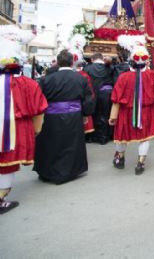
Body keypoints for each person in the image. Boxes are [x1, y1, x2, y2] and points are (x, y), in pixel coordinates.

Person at [0, 26, 48, 213]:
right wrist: (36, 130)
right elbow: (38, 110)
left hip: (13, 128)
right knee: (7, 165)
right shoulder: (28, 84)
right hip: (16, 130)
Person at [35, 49, 94, 184]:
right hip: (73, 116)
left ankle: (48, 171)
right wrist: (86, 113)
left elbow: (39, 99)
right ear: (72, 61)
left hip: (51, 117)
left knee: (51, 143)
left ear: (58, 62)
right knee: (71, 143)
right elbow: (88, 98)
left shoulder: (46, 80)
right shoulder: (80, 78)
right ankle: (69, 171)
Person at [108, 36, 154, 175]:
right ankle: (140, 163)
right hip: (147, 111)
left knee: (121, 135)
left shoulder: (123, 77)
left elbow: (116, 99)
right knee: (145, 137)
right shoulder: (152, 75)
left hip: (126, 112)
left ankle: (120, 158)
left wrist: (113, 116)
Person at [84, 52, 114, 145]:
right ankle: (106, 136)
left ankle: (94, 136)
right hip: (108, 94)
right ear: (101, 58)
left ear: (92, 59)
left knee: (95, 115)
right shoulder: (110, 67)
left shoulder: (87, 68)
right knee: (107, 114)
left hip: (94, 94)